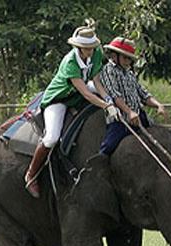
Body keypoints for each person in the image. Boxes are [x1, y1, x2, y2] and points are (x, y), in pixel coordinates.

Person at [24, 20, 117, 198]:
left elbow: (97, 82)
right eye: (85, 48)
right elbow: (86, 93)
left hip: (80, 91)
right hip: (60, 98)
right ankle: (31, 174)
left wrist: (108, 99)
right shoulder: (70, 62)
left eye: (91, 47)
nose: (89, 51)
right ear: (78, 47)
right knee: (51, 138)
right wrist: (106, 106)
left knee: (108, 90)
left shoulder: (96, 54)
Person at [98, 37, 168, 155]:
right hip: (120, 118)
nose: (128, 61)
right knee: (109, 146)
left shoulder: (130, 74)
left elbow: (143, 94)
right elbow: (115, 95)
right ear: (114, 56)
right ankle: (99, 166)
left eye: (129, 59)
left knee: (159, 137)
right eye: (125, 58)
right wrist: (129, 112)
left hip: (139, 116)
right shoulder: (108, 71)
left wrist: (158, 105)